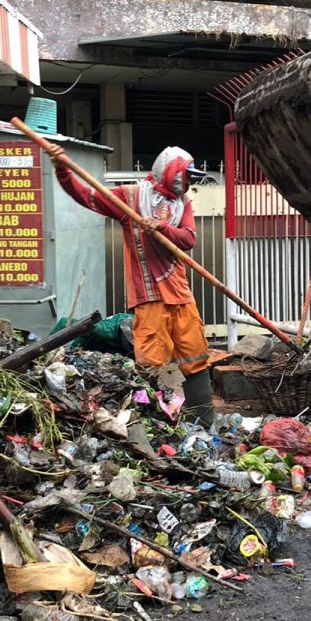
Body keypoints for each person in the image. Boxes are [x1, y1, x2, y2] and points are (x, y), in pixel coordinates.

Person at [49, 144, 214, 424]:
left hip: (180, 295)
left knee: (195, 357)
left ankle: (205, 421)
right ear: (172, 174)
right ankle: (153, 423)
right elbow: (87, 196)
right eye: (186, 176)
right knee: (151, 363)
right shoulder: (131, 199)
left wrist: (162, 228)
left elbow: (189, 240)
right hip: (149, 297)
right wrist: (63, 172)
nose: (189, 183)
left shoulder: (182, 203)